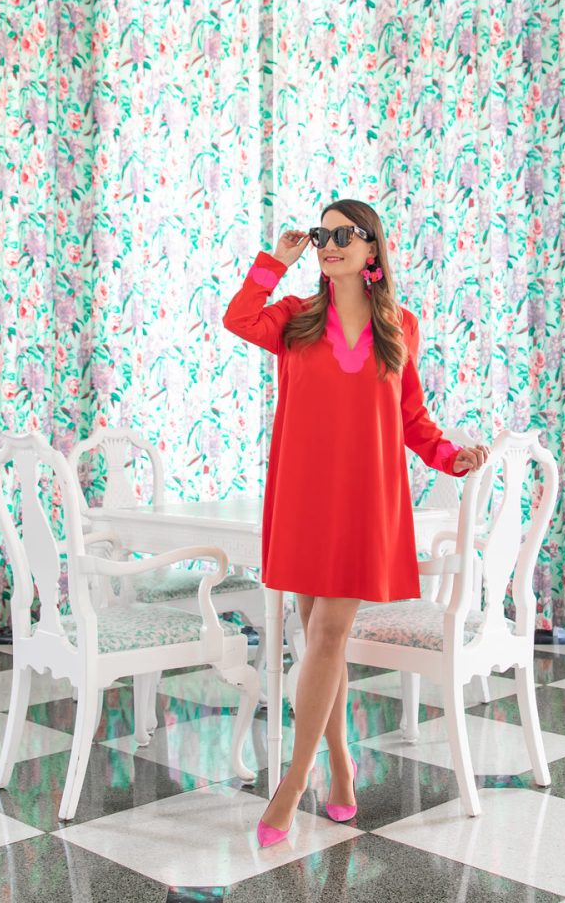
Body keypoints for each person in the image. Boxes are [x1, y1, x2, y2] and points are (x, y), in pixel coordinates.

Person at [221, 199, 490, 847]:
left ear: (373, 249)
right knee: (319, 638)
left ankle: (293, 781)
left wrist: (451, 457)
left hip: (364, 501)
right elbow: (238, 318)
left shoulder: (401, 326)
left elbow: (411, 418)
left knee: (331, 632)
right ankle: (342, 766)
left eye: (344, 234)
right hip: (303, 498)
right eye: (322, 235)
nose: (330, 244)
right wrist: (274, 263)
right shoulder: (294, 320)